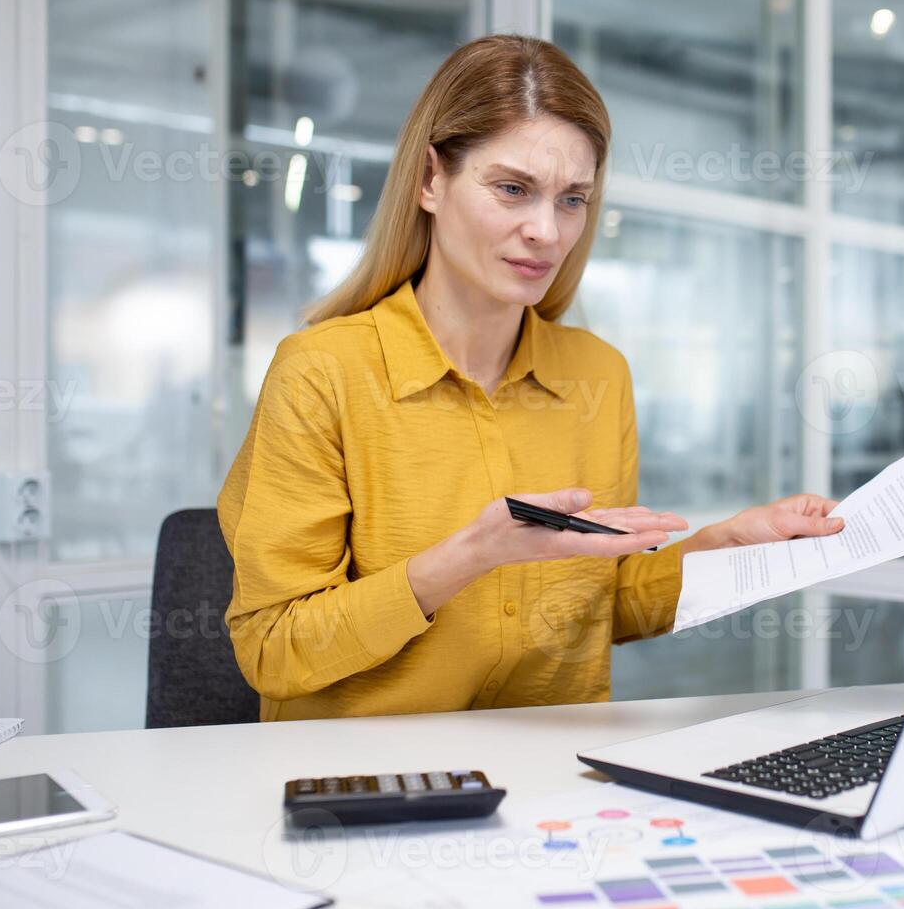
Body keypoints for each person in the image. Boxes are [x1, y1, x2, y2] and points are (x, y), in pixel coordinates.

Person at [217, 35, 844, 721]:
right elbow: (273, 649)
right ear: (431, 180)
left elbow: (604, 604)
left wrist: (725, 546)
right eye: (513, 189)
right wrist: (467, 558)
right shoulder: (322, 374)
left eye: (572, 199)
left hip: (552, 785)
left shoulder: (598, 375)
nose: (546, 230)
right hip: (372, 788)